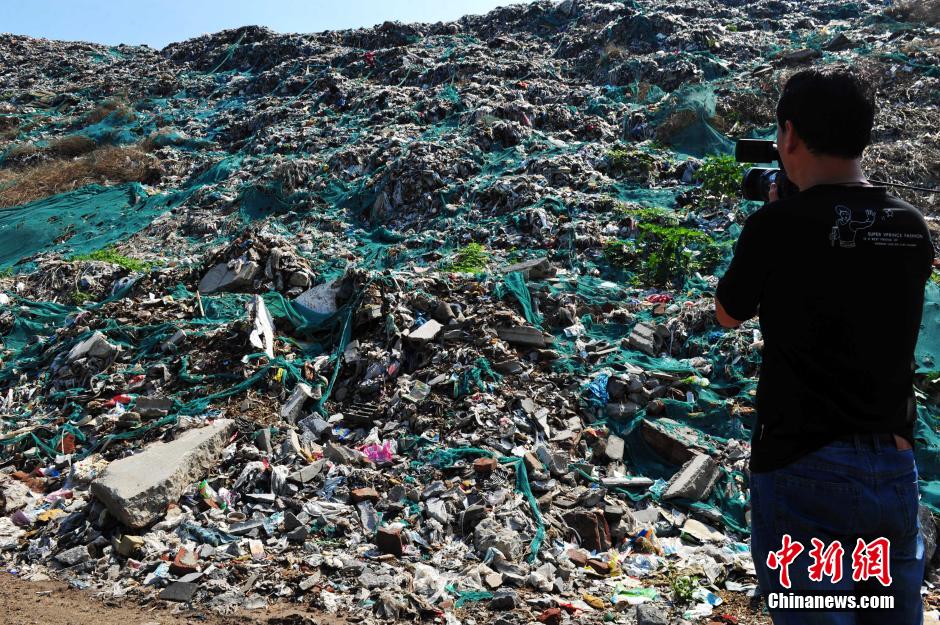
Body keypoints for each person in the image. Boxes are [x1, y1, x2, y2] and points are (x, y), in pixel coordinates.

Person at [715, 68, 934, 624]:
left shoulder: (775, 226)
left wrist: (775, 210)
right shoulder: (911, 227)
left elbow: (727, 314)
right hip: (892, 466)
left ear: (789, 136)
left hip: (800, 465)